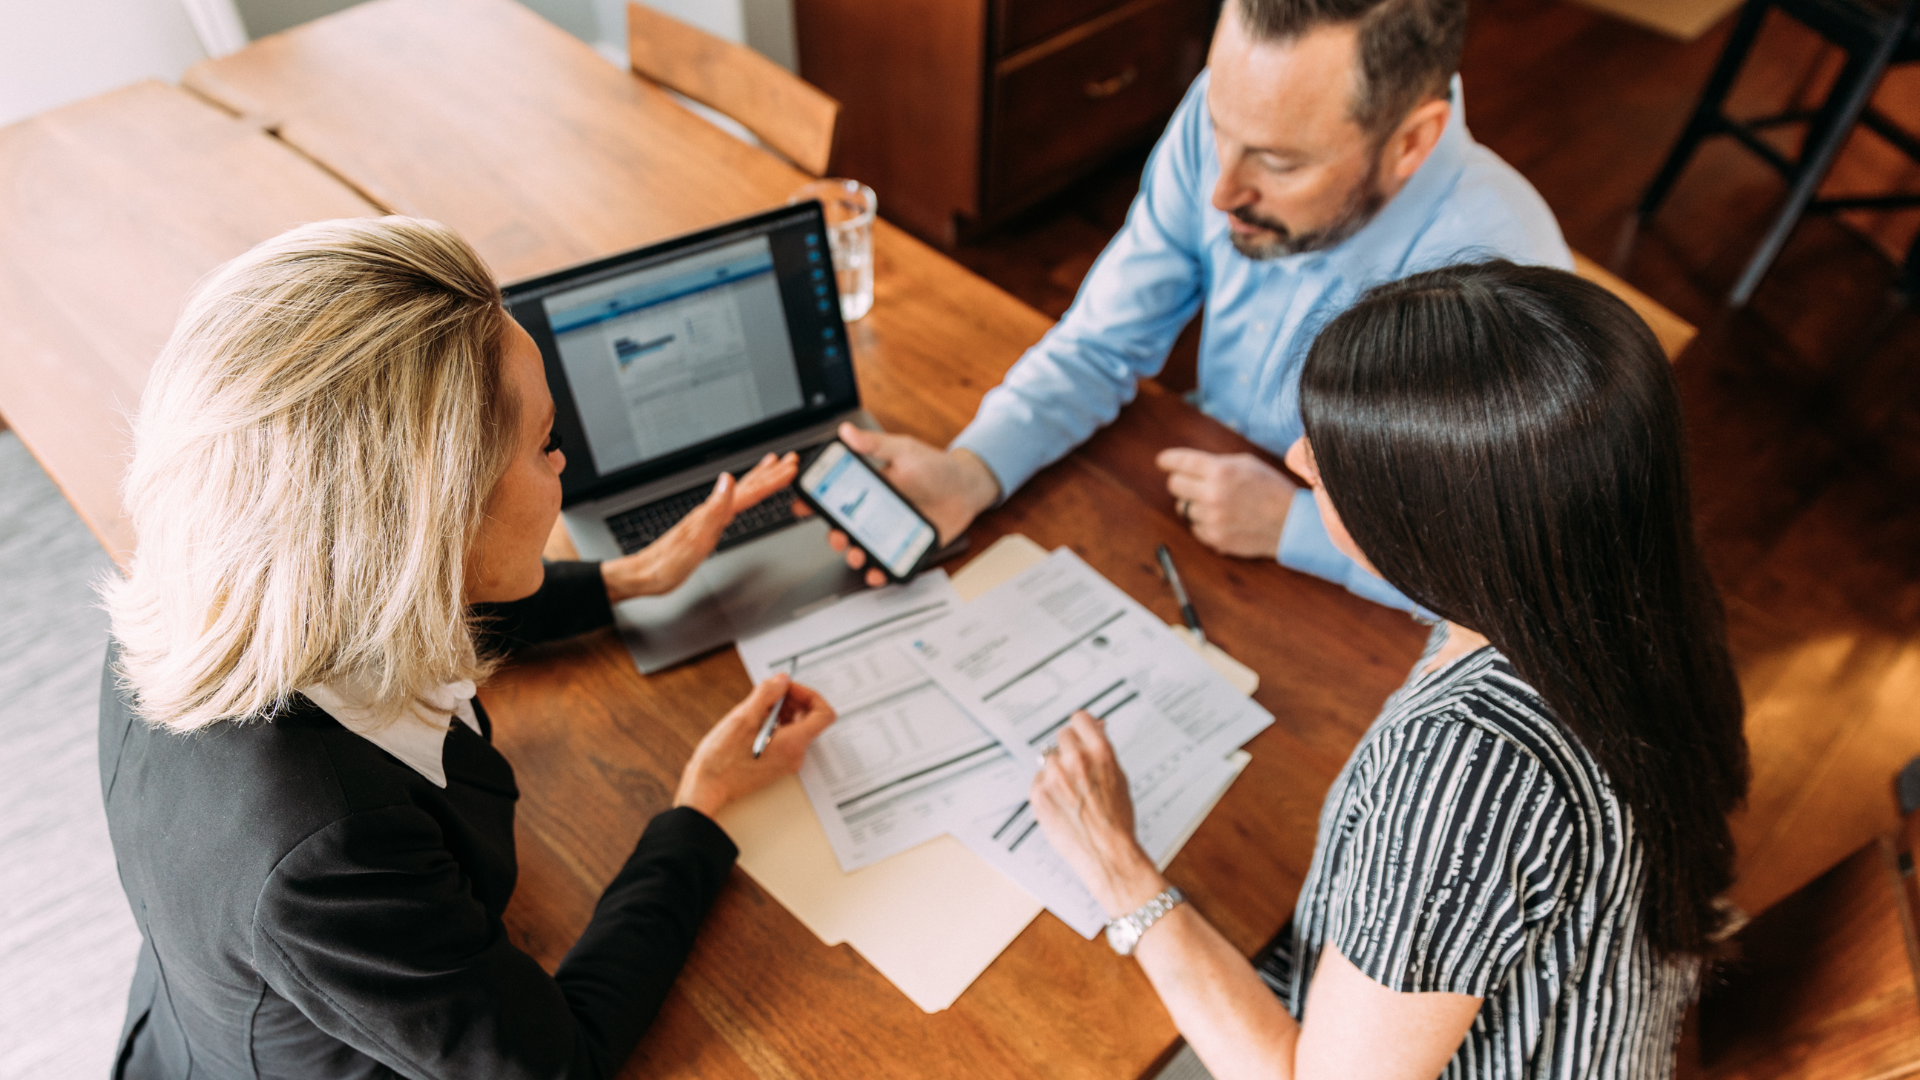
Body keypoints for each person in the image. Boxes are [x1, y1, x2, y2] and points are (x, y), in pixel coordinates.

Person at [99, 217, 835, 1079]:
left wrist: (623, 580)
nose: (565, 464)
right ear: (428, 525)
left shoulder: (203, 583)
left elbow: (404, 601)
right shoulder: (331, 853)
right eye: (546, 443)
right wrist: (700, 810)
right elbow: (557, 1065)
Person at [1027, 261, 1751, 1079]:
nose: (1299, 460)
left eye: (1335, 463)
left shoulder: (1468, 777)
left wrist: (1122, 874)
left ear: (1437, 533)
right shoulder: (1623, 577)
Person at [812, 0, 1571, 610]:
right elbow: (1102, 344)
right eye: (1218, 127)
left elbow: (1515, 575)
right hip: (1190, 527)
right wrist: (974, 468)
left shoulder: (1510, 278)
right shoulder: (1234, 121)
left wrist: (1294, 527)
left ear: (1412, 143)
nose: (1220, 191)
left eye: (1278, 161)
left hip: (1363, 622)